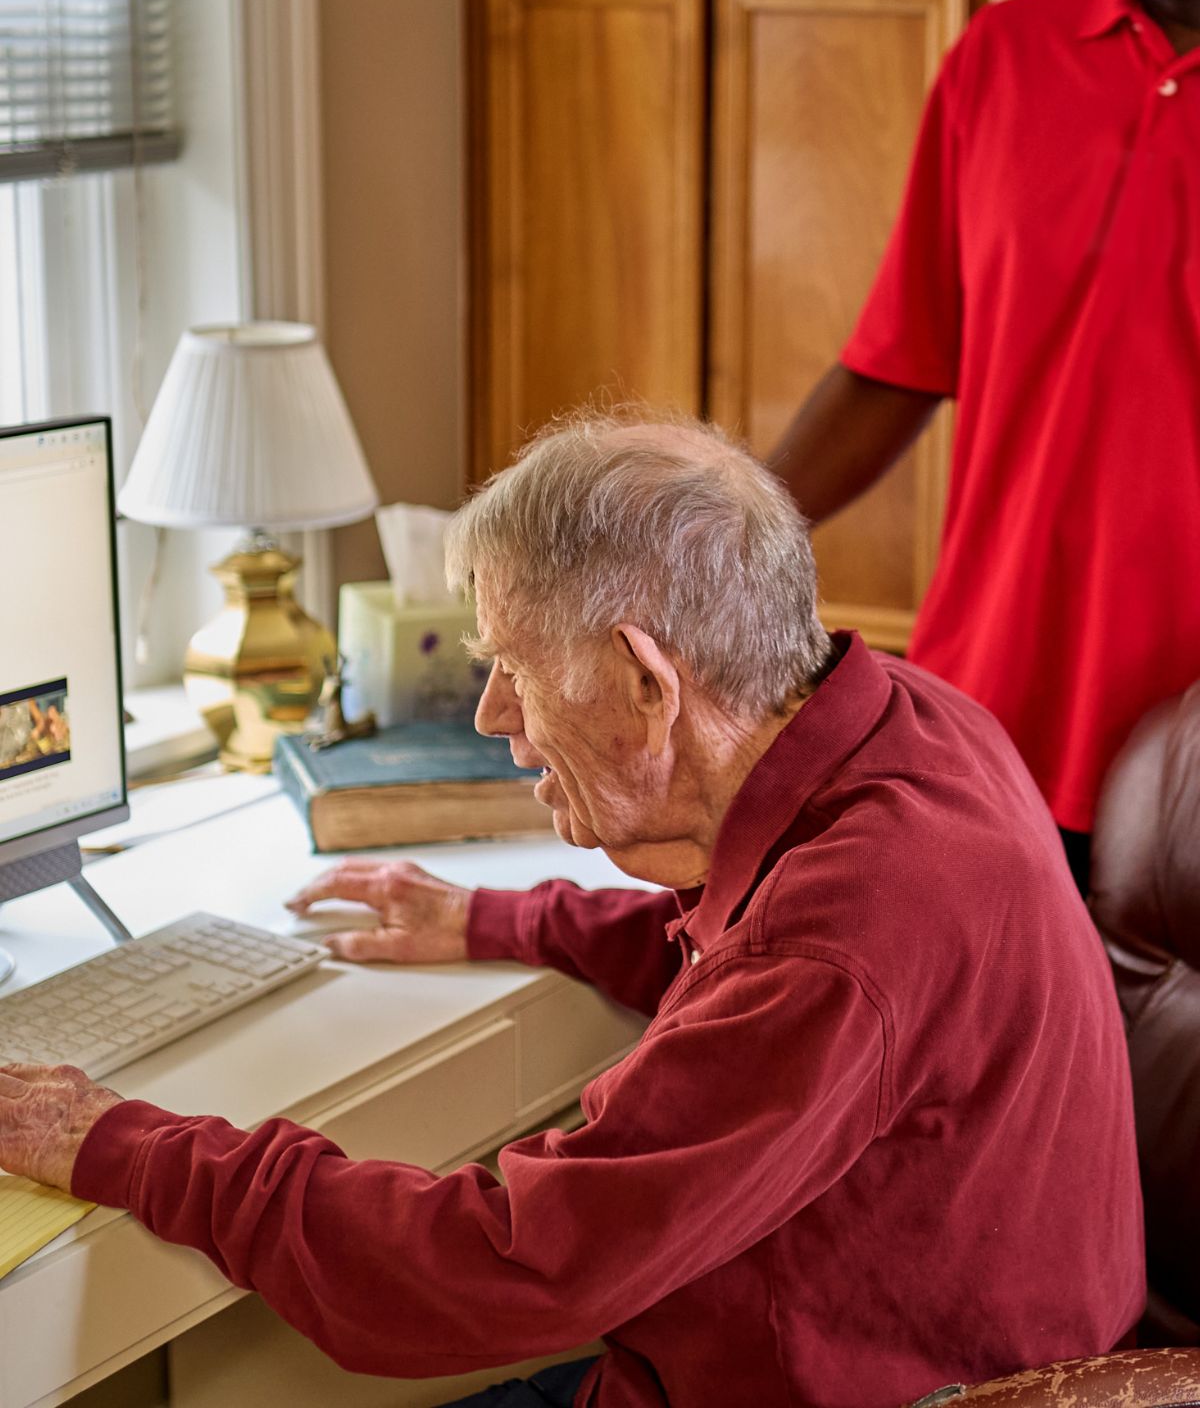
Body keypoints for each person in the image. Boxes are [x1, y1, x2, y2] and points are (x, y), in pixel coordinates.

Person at [0, 414, 1143, 1408]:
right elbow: (758, 959)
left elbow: (500, 1270)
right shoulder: (906, 718)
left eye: (512, 666)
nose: (494, 711)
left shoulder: (843, 939)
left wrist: (114, 1141)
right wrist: (508, 921)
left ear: (650, 686)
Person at [770, 0, 1200, 897]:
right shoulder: (1002, 62)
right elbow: (897, 365)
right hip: (989, 713)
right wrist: (714, 537)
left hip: (1187, 753)